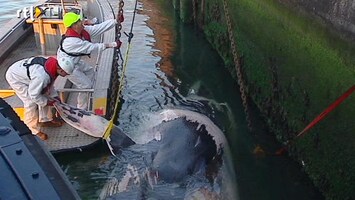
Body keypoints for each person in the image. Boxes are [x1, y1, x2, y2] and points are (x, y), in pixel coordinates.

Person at [57, 12, 124, 110]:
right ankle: (81, 109)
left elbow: (98, 28)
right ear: (74, 25)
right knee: (86, 85)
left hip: (75, 61)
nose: (82, 22)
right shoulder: (71, 42)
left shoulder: (82, 31)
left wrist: (115, 21)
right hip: (67, 66)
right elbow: (91, 48)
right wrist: (113, 44)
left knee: (90, 72)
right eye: (79, 21)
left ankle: (86, 97)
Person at [5, 56, 74, 140]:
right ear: (61, 70)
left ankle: (45, 120)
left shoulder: (52, 67)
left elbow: (48, 86)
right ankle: (31, 129)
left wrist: (55, 97)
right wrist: (46, 102)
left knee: (45, 95)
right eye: (66, 73)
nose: (66, 75)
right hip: (15, 77)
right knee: (30, 102)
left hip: (25, 72)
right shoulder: (42, 76)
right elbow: (34, 95)